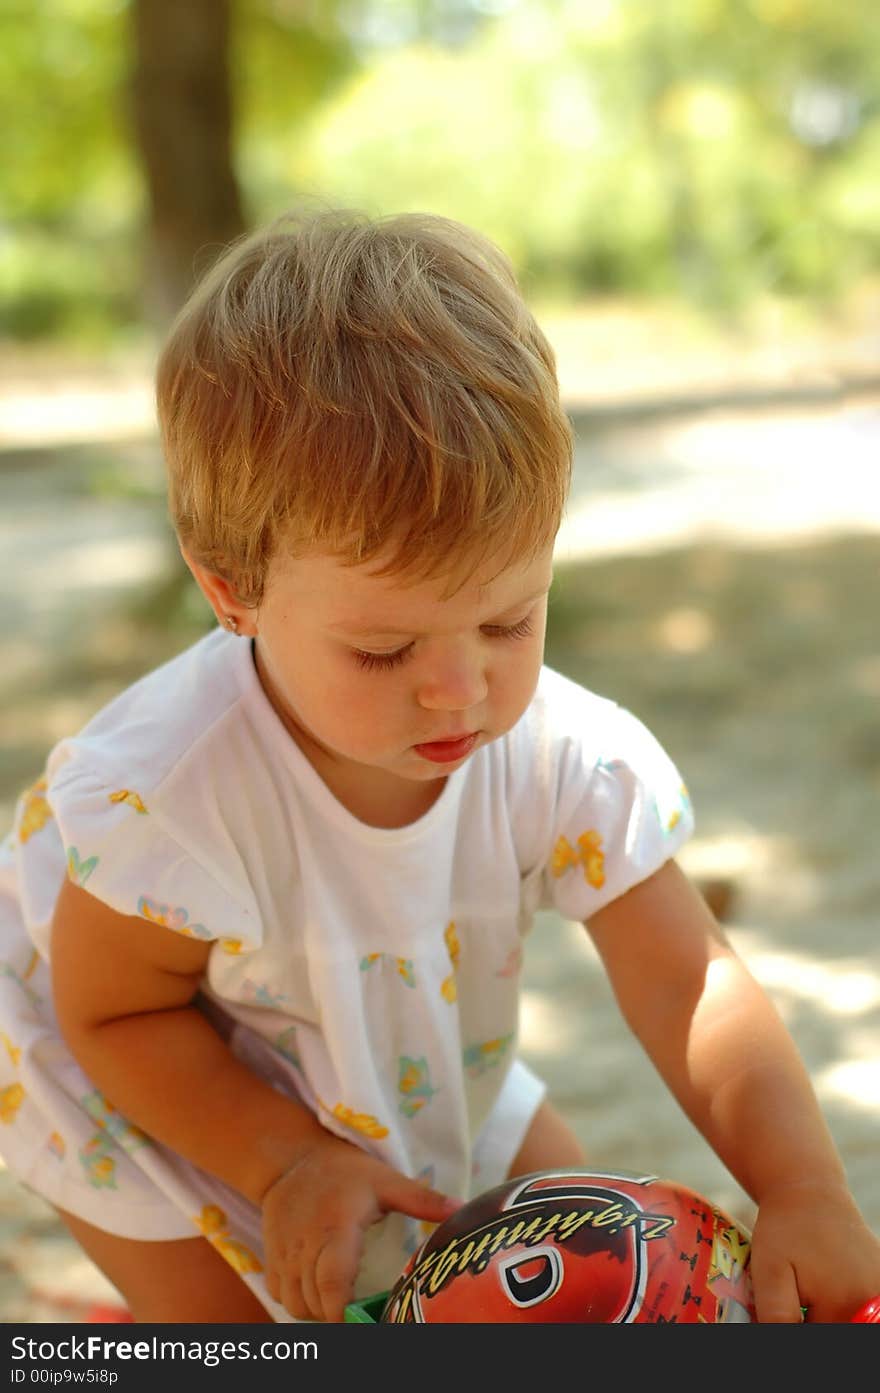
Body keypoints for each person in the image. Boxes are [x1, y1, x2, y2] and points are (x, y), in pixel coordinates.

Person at [0, 208, 877, 1327]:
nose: (460, 691)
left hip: (407, 1038)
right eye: (384, 649)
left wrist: (802, 1186)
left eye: (509, 621)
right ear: (232, 589)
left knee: (591, 1246)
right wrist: (281, 1162)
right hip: (148, 1081)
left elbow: (685, 980)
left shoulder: (554, 749)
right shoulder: (173, 797)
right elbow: (115, 1016)